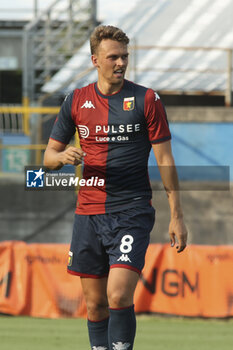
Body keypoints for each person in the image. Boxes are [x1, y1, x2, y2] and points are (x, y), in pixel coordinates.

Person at [44, 25, 188, 350]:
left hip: (132, 210)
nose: (121, 63)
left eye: (125, 56)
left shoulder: (146, 99)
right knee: (95, 305)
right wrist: (62, 155)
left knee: (118, 294)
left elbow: (166, 159)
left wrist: (177, 215)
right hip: (88, 214)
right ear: (96, 60)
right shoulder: (76, 100)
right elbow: (47, 157)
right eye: (113, 57)